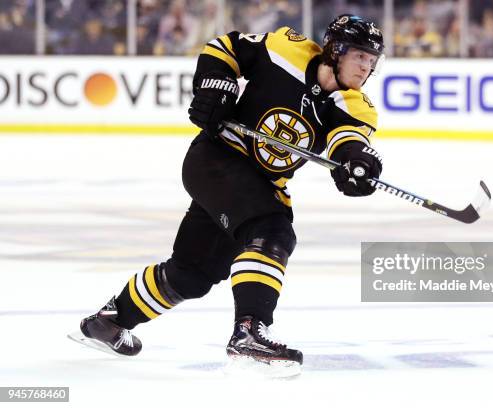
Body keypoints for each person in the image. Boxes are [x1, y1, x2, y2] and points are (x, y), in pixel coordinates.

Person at [69, 14, 384, 372]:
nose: (366, 67)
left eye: (372, 61)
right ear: (335, 49)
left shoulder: (356, 105)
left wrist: (356, 163)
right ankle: (249, 331)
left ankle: (109, 321)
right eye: (360, 56)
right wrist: (215, 84)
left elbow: (349, 140)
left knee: (192, 275)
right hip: (216, 158)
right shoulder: (285, 49)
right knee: (272, 231)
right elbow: (225, 47)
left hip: (256, 185)